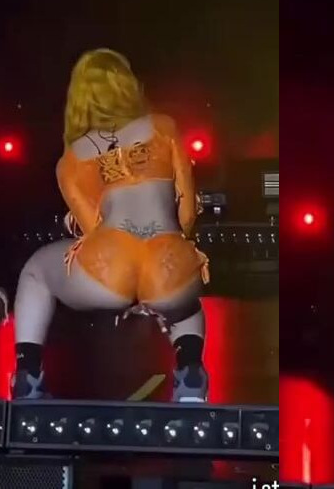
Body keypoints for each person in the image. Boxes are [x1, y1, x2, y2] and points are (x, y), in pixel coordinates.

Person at [11, 49, 210, 402]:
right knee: (185, 305)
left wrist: (129, 282)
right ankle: (191, 375)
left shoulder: (71, 159)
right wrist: (166, 262)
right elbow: (187, 212)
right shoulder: (163, 127)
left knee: (35, 271)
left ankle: (27, 377)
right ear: (127, 85)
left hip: (111, 265)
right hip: (167, 258)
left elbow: (93, 230)